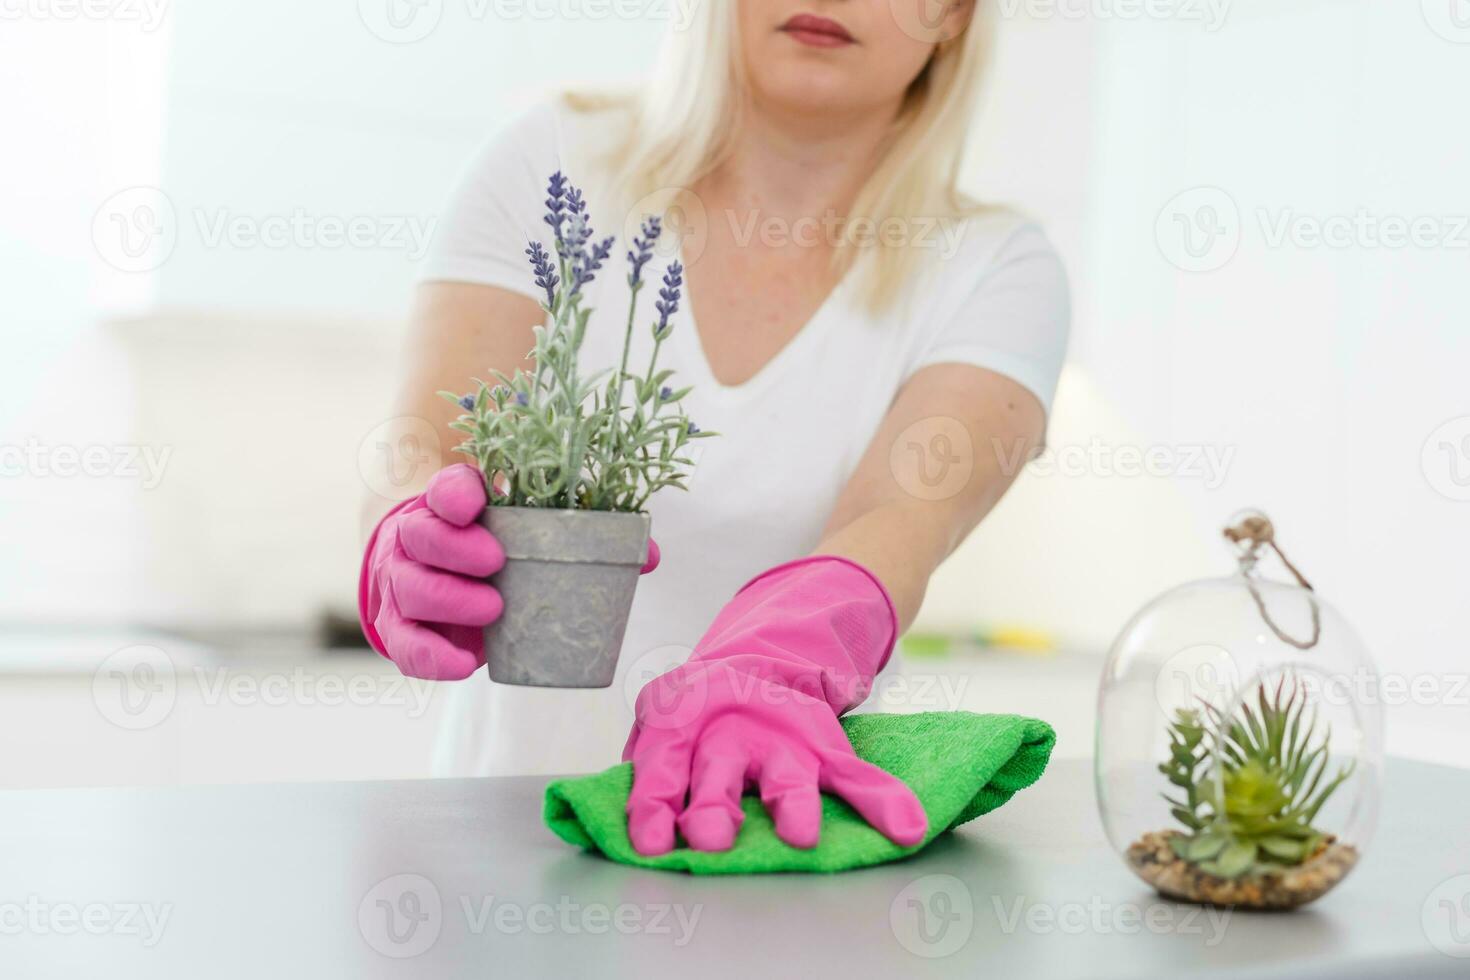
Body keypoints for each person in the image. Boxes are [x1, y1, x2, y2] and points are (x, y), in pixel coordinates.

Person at [360, 1, 1069, 855]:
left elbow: (900, 517)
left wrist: (770, 661)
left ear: (953, 13)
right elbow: (426, 445)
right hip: (500, 842)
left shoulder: (994, 267)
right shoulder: (552, 160)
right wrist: (410, 535)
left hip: (774, 822)